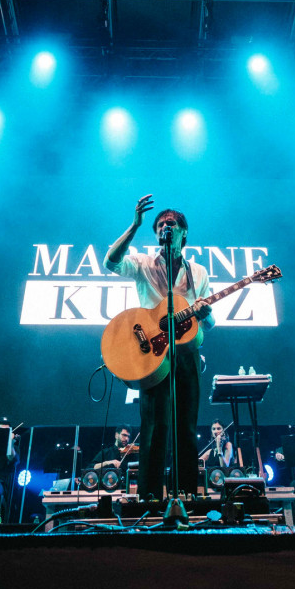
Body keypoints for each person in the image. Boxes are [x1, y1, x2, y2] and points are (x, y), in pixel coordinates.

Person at [105, 196, 213, 515]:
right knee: (153, 427)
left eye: (172, 224)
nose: (166, 227)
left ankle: (185, 497)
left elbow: (207, 322)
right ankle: (150, 499)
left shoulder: (200, 273)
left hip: (187, 353)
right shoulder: (141, 264)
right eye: (161, 225)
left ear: (184, 234)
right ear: (156, 234)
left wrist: (205, 314)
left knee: (186, 427)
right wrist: (136, 224)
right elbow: (110, 262)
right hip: (152, 354)